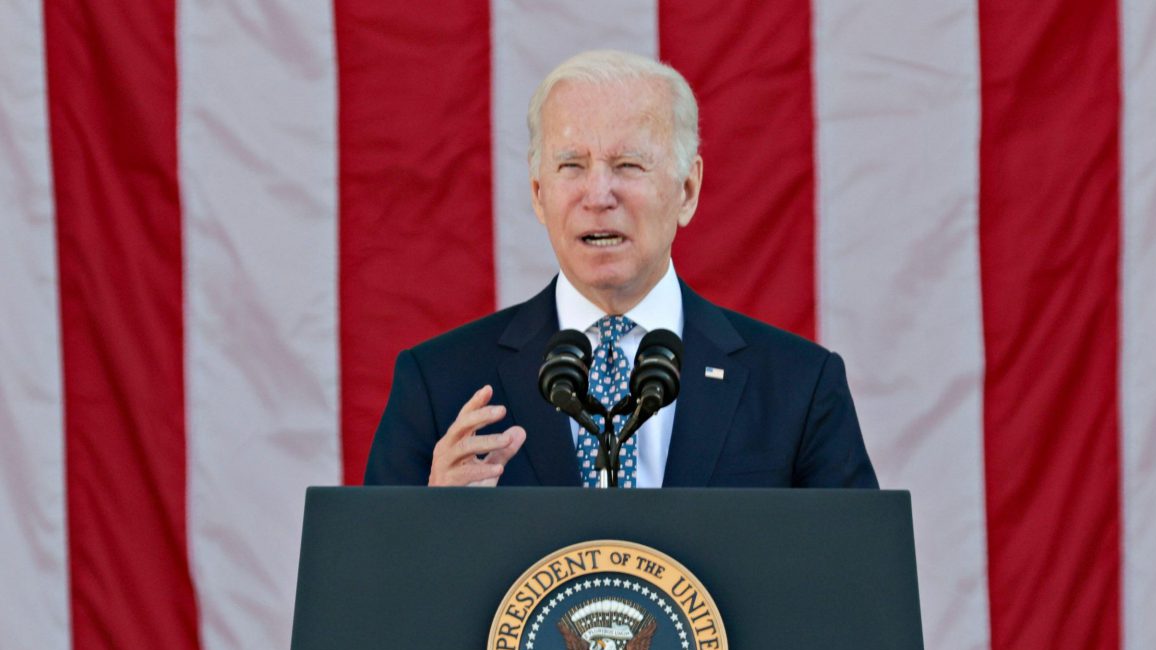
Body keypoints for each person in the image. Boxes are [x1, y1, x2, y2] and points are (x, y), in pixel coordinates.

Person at [364, 50, 877, 489]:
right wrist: (427, 522)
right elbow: (370, 591)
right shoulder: (439, 385)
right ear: (539, 195)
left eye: (628, 165)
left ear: (687, 191)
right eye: (572, 166)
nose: (598, 195)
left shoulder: (798, 387)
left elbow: (858, 589)